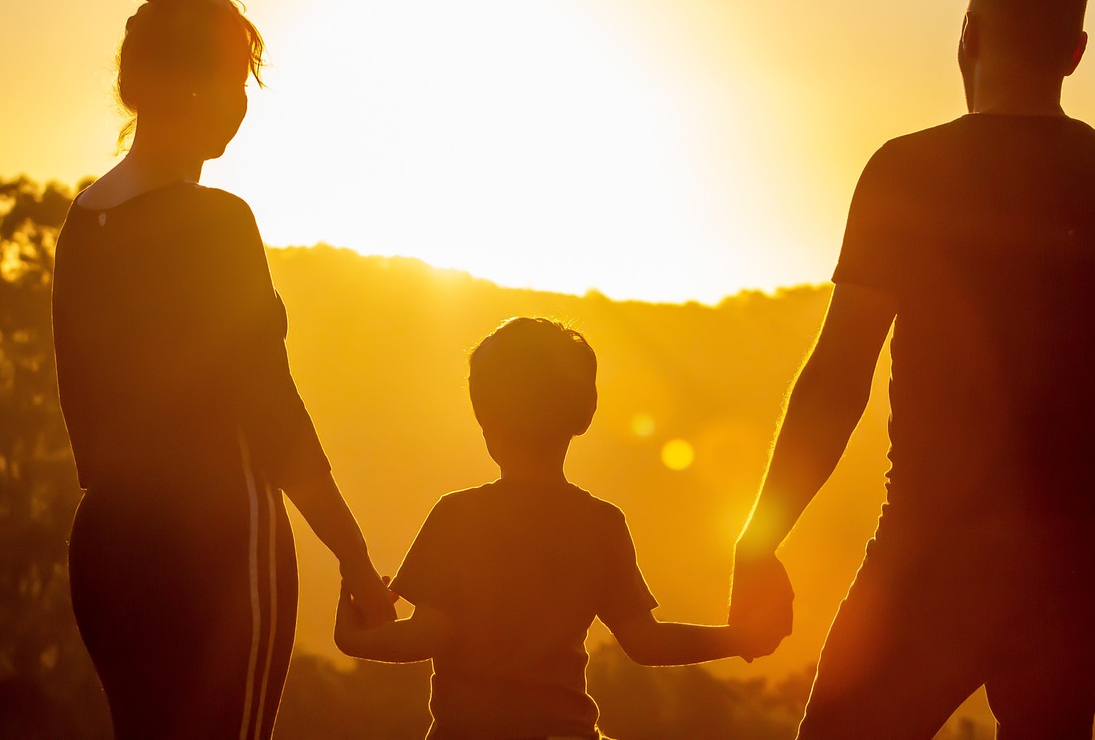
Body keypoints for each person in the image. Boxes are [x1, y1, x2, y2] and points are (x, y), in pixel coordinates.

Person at [730, 0, 1095, 739]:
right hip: (1078, 563)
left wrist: (759, 537)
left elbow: (837, 375)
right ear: (1077, 51)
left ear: (969, 32)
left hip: (927, 556)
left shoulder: (908, 172)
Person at [52, 0, 395, 740]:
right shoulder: (216, 222)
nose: (243, 106)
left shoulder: (84, 224)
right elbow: (271, 409)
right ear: (200, 88)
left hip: (106, 542)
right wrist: (352, 554)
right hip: (217, 544)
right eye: (239, 83)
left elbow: (85, 413)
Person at [334, 317, 786, 740]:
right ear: (584, 414)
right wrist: (742, 637)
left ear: (482, 417)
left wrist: (356, 640)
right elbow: (647, 642)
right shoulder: (601, 524)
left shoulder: (457, 516)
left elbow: (426, 634)